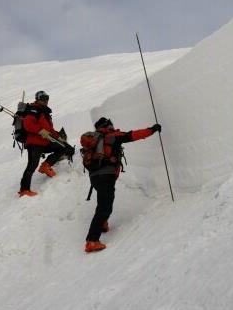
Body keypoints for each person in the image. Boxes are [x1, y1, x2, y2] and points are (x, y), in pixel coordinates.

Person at [84, 117, 161, 253]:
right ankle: (92, 241)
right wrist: (152, 130)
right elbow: (133, 135)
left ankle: (102, 224)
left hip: (94, 177)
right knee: (105, 206)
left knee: (104, 202)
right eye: (111, 125)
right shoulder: (112, 136)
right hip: (106, 175)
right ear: (107, 126)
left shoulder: (94, 140)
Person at [18, 90, 75, 197]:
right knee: (32, 165)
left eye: (46, 98)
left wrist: (58, 137)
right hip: (34, 143)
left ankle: (46, 165)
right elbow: (28, 124)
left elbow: (49, 129)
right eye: (43, 98)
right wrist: (40, 131)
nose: (45, 100)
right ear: (38, 99)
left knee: (62, 148)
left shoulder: (45, 112)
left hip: (44, 142)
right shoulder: (34, 110)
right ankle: (24, 190)